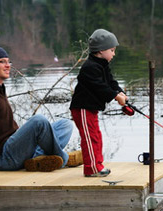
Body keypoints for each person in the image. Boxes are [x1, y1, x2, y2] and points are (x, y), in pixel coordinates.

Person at [0, 46, 75, 175]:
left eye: (8, 61)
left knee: (65, 124)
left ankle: (38, 158)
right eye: (2, 61)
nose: (8, 65)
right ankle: (64, 158)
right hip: (3, 158)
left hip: (13, 149)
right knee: (39, 121)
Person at [70, 29, 128, 177]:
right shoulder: (89, 67)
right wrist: (115, 96)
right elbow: (100, 87)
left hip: (91, 109)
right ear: (101, 51)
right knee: (89, 137)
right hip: (82, 108)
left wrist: (121, 93)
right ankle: (91, 169)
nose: (114, 54)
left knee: (96, 136)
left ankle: (98, 165)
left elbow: (111, 82)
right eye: (112, 50)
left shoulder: (102, 65)